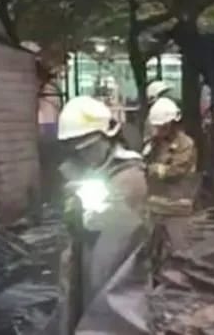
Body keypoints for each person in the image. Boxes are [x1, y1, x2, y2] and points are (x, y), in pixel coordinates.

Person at [56, 96, 148, 334]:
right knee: (82, 300)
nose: (86, 155)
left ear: (108, 136)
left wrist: (89, 212)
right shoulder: (83, 173)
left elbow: (119, 233)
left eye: (90, 147)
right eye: (78, 150)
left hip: (116, 265)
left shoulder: (129, 176)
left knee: (111, 310)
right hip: (87, 258)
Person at [145, 97, 198, 256]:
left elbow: (176, 171)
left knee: (180, 254)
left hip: (177, 210)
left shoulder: (185, 144)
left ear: (173, 123)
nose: (159, 129)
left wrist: (154, 169)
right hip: (155, 209)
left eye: (162, 126)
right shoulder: (155, 143)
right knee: (151, 253)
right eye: (157, 126)